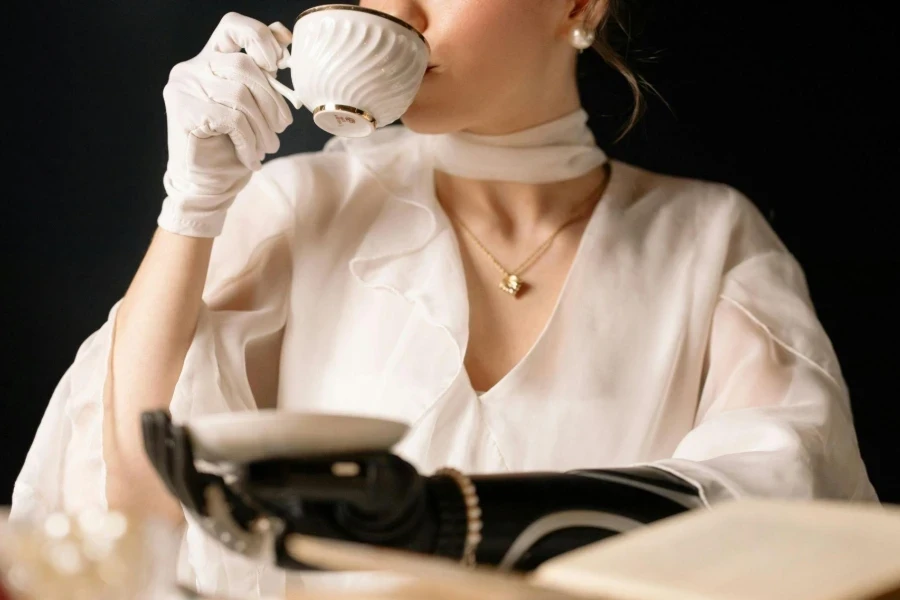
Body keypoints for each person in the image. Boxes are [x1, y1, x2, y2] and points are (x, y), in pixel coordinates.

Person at [12, 0, 877, 596]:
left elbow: (781, 513)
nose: (397, 13)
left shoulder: (709, 240)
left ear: (577, 5)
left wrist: (446, 521)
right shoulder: (297, 209)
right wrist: (191, 209)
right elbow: (126, 520)